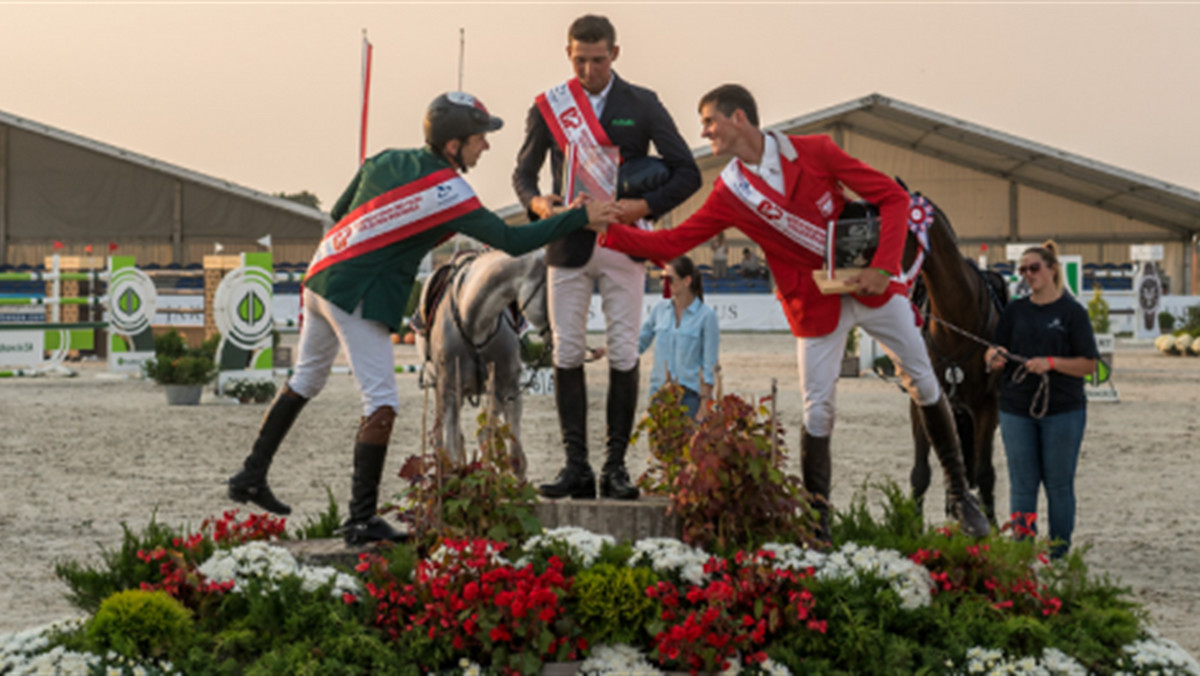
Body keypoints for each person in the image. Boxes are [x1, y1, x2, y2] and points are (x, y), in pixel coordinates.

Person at [597, 83, 990, 542]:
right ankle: (818, 519)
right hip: (814, 305)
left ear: (738, 117)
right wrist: (607, 229)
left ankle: (960, 494)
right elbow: (671, 244)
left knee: (923, 379)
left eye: (709, 121)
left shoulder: (815, 151)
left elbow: (894, 198)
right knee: (817, 409)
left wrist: (884, 267)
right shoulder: (730, 192)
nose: (704, 132)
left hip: (870, 286)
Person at [226, 91, 617, 545]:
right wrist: (579, 218)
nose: (485, 147)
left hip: (320, 277)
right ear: (453, 145)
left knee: (307, 379)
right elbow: (510, 241)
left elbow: (340, 211)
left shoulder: (386, 158)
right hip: (359, 293)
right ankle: (360, 519)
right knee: (382, 404)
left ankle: (251, 474)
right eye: (479, 139)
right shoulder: (449, 190)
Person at [512, 14, 701, 501]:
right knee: (566, 351)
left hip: (623, 241)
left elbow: (687, 172)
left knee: (622, 350)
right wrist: (538, 204)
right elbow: (524, 176)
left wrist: (642, 206)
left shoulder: (643, 103)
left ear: (615, 54)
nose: (589, 70)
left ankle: (615, 466)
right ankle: (576, 464)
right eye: (580, 60)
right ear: (568, 54)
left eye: (598, 60)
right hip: (568, 239)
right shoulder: (548, 106)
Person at [985, 241, 1098, 558]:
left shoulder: (1073, 313)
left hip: (1063, 410)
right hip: (1015, 410)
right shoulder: (1015, 311)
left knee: (1059, 485)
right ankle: (1023, 553)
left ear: (1052, 270)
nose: (1027, 274)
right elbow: (994, 348)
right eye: (1022, 269)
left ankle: (1059, 553)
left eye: (1034, 267)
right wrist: (993, 357)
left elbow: (1089, 364)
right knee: (1022, 485)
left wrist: (1051, 363)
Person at [639, 256, 719, 420]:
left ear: (687, 280)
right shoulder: (659, 310)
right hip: (658, 393)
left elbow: (709, 364)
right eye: (661, 278)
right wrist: (609, 349)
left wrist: (705, 404)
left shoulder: (707, 316)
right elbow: (639, 342)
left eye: (669, 279)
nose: (663, 283)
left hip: (690, 398)